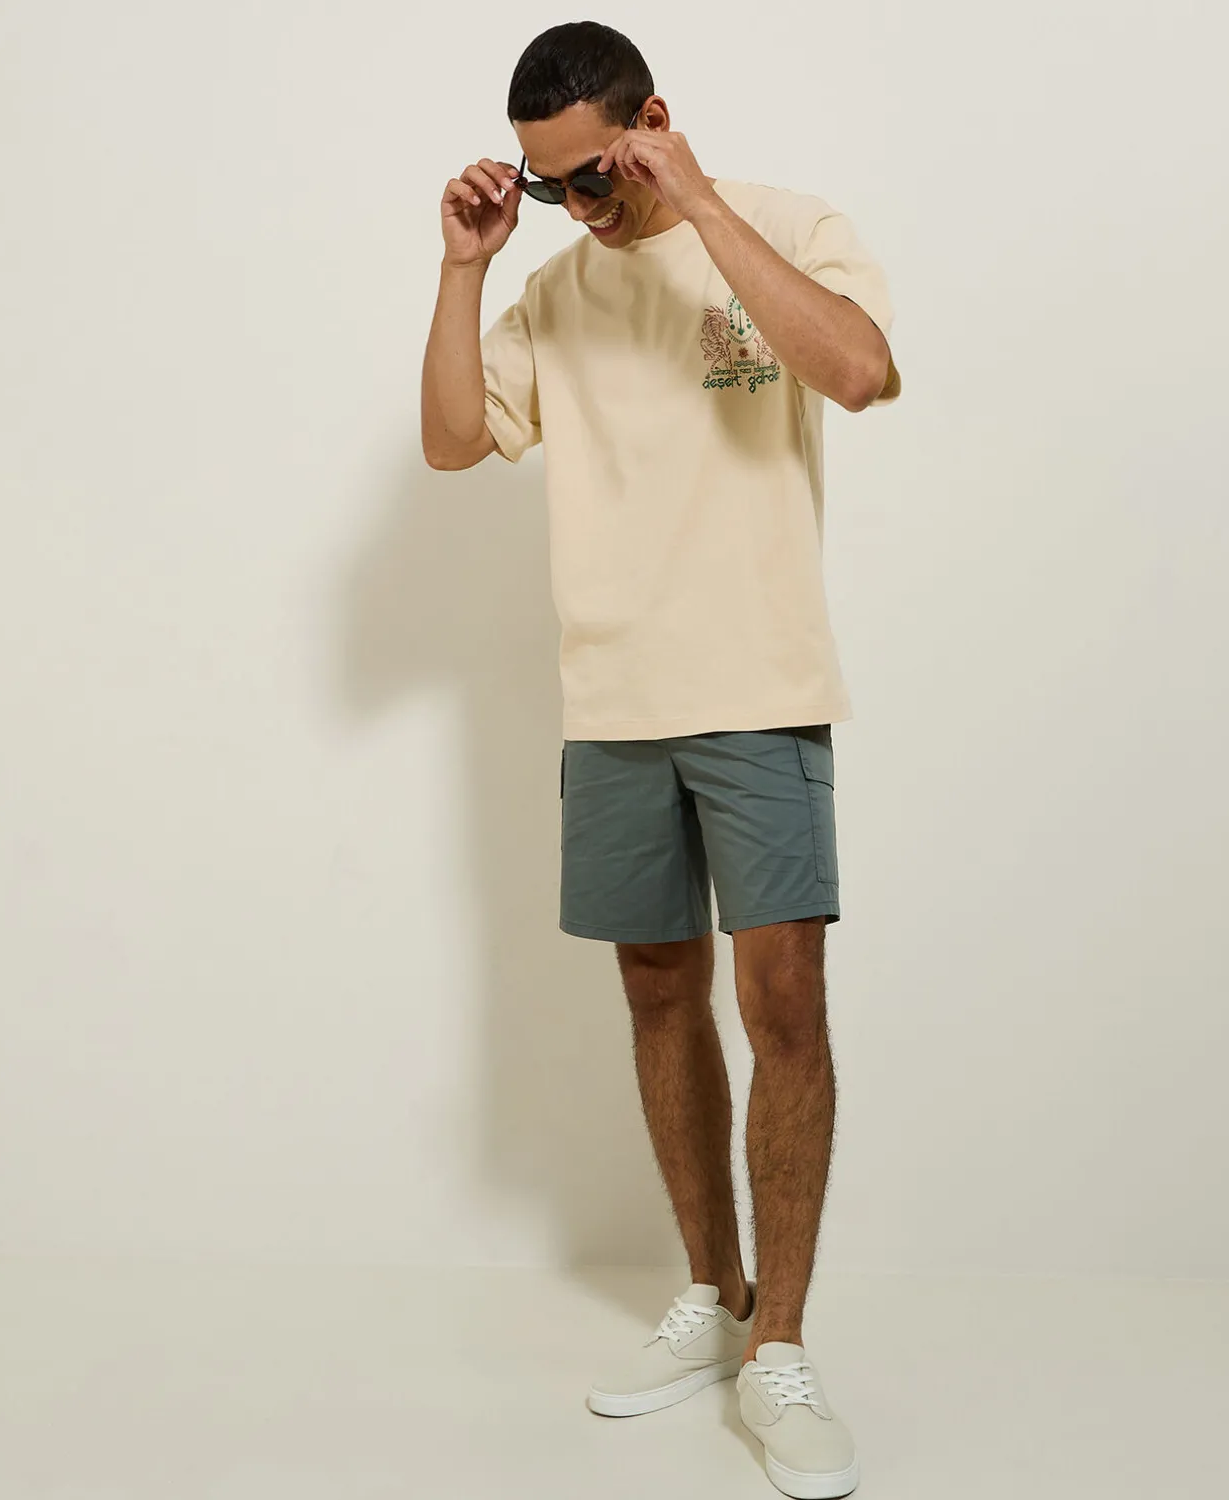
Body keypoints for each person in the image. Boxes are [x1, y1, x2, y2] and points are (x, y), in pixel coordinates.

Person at [419, 21, 899, 1500]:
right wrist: (466, 267)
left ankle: (783, 1350)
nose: (582, 208)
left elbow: (861, 371)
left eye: (598, 174)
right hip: (611, 698)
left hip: (758, 685)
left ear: (654, 122)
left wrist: (692, 201)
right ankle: (714, 1293)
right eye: (551, 186)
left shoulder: (789, 226)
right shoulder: (555, 289)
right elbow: (452, 441)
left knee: (785, 1004)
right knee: (655, 989)